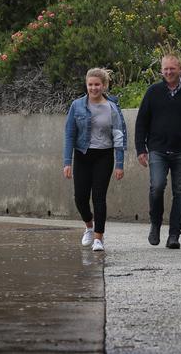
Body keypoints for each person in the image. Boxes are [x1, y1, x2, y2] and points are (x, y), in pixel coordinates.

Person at [135, 54, 181, 249]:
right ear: (161, 70)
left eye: (172, 69)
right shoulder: (153, 92)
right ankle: (155, 224)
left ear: (180, 69)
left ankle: (174, 235)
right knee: (157, 186)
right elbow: (141, 122)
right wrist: (140, 149)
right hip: (158, 150)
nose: (168, 72)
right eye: (165, 69)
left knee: (180, 192)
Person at [63, 68, 127, 252]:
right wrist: (67, 161)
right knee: (80, 197)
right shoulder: (77, 105)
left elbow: (119, 135)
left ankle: (99, 237)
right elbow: (69, 134)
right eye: (90, 84)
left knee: (99, 197)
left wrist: (119, 163)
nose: (93, 88)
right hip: (83, 155)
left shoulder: (112, 107)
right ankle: (89, 226)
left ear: (104, 85)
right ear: (86, 85)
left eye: (97, 84)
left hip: (104, 155)